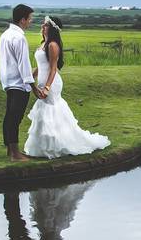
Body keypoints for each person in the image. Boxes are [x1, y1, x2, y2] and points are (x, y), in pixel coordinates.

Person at [24, 15, 110, 158]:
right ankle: (43, 146)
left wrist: (46, 87)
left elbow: (53, 69)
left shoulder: (52, 45)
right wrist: (31, 76)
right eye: (43, 24)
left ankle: (56, 145)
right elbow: (41, 66)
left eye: (45, 25)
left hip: (51, 83)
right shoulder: (43, 43)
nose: (42, 26)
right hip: (43, 80)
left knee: (50, 110)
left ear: (51, 29)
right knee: (45, 110)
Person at [0, 4, 44, 161]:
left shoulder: (5, 34)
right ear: (23, 19)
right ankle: (15, 154)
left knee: (9, 117)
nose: (30, 21)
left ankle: (10, 151)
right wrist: (33, 87)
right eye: (30, 18)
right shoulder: (19, 38)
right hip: (19, 84)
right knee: (15, 118)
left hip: (8, 82)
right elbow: (23, 65)